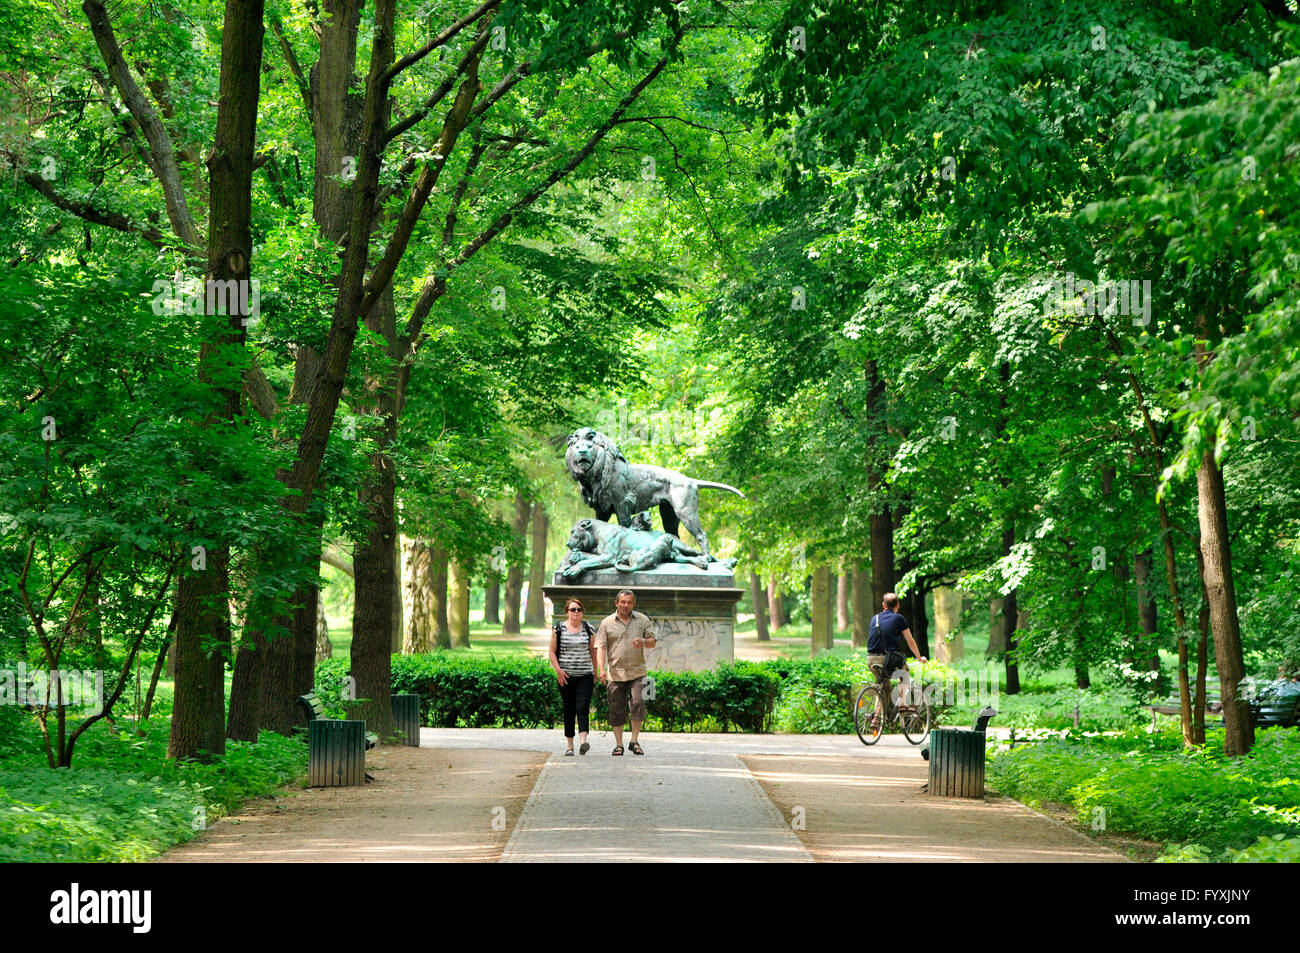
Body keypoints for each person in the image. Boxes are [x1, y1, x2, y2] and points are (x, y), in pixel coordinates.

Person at [594, 589, 657, 755]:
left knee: (638, 704)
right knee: (616, 709)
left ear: (633, 604)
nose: (626, 605)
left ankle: (634, 741)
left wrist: (643, 641)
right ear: (617, 603)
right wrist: (601, 669)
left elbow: (653, 642)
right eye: (623, 602)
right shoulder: (607, 623)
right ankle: (619, 744)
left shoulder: (642, 620)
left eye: (629, 602)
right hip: (615, 673)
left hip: (638, 671)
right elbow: (600, 647)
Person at [549, 598, 599, 755]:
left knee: (582, 707)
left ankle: (583, 742)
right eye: (572, 610)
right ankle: (570, 746)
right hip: (566, 676)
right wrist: (558, 670)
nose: (576, 612)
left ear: (582, 612)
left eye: (578, 609)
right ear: (567, 612)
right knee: (569, 709)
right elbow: (551, 651)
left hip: (585, 675)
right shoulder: (559, 629)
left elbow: (593, 651)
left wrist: (596, 670)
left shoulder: (589, 629)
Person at [867, 592, 926, 716]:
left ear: (884, 605)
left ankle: (876, 718)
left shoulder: (875, 618)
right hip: (886, 659)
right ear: (897, 605)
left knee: (883, 687)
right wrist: (919, 658)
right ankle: (903, 704)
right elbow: (910, 640)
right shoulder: (899, 618)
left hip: (871, 659)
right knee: (904, 673)